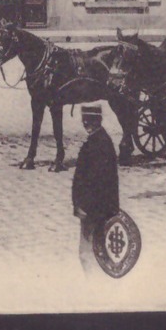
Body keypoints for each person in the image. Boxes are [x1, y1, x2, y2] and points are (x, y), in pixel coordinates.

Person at [72, 103, 121, 273]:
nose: (86, 125)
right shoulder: (101, 141)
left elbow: (94, 181)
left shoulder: (96, 145)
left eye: (87, 121)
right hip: (99, 208)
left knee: (88, 253)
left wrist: (84, 206)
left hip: (93, 210)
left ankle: (94, 287)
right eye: (85, 121)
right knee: (94, 251)